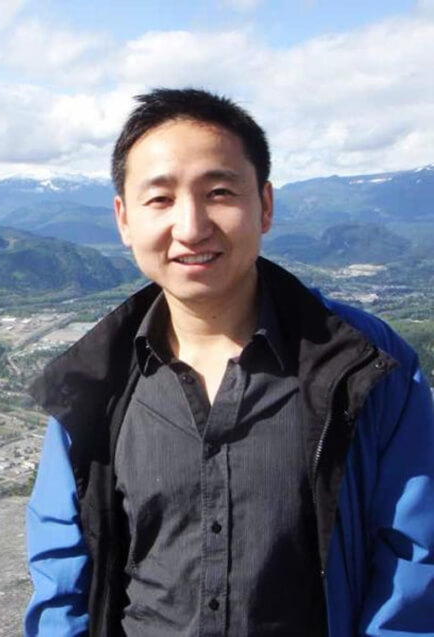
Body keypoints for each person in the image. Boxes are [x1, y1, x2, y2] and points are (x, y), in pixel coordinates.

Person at [23, 88, 434, 636]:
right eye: (160, 199)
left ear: (265, 205)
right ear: (123, 220)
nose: (191, 227)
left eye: (218, 192)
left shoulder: (365, 364)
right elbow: (61, 570)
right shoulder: (95, 379)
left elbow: (413, 561)